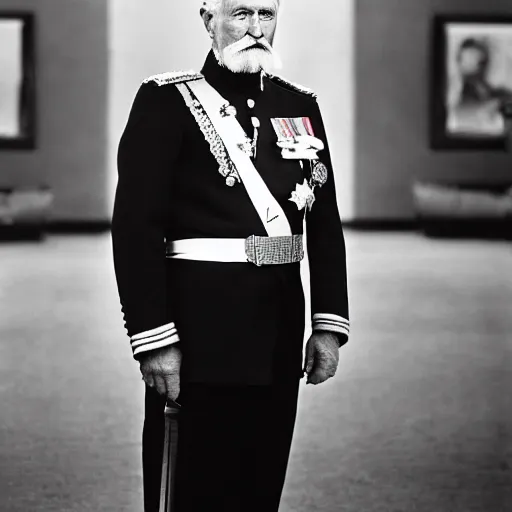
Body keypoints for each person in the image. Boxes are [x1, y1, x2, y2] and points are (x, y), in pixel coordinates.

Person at [111, 1, 350, 510]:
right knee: (192, 487)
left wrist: (328, 326)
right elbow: (136, 229)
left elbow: (324, 227)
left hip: (279, 330)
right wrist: (153, 338)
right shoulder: (164, 102)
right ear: (208, 20)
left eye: (266, 14)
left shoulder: (299, 107)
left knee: (259, 483)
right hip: (201, 333)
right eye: (240, 13)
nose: (256, 28)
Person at [448, 37, 512, 135]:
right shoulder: (457, 96)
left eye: (481, 61)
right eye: (469, 60)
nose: (477, 65)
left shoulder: (500, 93)